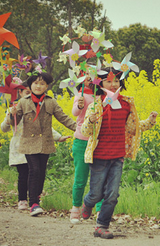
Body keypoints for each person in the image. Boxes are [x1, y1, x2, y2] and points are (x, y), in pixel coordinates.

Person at [80, 68, 158, 239]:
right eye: (108, 81)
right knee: (96, 194)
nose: (113, 84)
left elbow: (132, 128)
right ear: (100, 84)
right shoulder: (96, 105)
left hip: (117, 156)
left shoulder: (126, 104)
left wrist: (150, 122)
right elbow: (86, 131)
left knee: (113, 194)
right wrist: (90, 120)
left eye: (116, 80)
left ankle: (102, 226)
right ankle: (88, 203)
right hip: (99, 157)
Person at [11, 71, 77, 216]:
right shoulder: (23, 102)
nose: (38, 86)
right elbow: (13, 123)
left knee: (41, 172)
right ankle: (33, 203)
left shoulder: (51, 102)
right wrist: (13, 114)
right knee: (34, 170)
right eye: (35, 83)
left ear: (46, 86)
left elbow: (63, 118)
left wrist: (79, 127)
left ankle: (37, 198)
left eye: (42, 83)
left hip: (45, 143)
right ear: (31, 85)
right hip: (29, 143)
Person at [69, 75, 102, 224]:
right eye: (86, 77)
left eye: (93, 77)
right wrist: (80, 105)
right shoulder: (80, 95)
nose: (90, 79)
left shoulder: (103, 96)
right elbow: (75, 112)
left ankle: (100, 210)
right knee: (80, 177)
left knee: (100, 179)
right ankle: (75, 207)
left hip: (98, 142)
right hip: (82, 141)